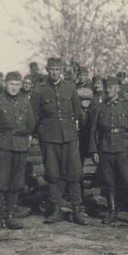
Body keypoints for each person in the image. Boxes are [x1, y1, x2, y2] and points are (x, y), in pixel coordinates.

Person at [30, 57, 87, 225]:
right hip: (49, 138)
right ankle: (56, 209)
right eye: (52, 69)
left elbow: (77, 111)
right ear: (47, 70)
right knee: (53, 174)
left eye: (57, 70)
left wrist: (72, 130)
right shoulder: (39, 90)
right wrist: (41, 133)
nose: (54, 73)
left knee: (74, 173)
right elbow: (34, 115)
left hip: (69, 137)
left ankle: (77, 210)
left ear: (61, 71)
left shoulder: (69, 87)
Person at [0, 72, 35, 231]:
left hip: (19, 146)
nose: (14, 87)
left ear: (21, 86)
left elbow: (31, 124)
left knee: (16, 182)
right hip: (2, 146)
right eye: (11, 84)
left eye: (17, 85)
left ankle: (10, 217)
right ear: (5, 84)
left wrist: (21, 132)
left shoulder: (25, 102)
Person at [89, 77, 128, 226]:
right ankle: (112, 212)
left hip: (123, 149)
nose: (107, 90)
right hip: (105, 148)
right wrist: (94, 151)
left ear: (118, 88)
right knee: (109, 182)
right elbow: (93, 131)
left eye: (111, 87)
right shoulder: (99, 108)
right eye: (106, 87)